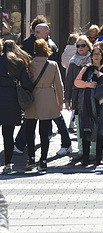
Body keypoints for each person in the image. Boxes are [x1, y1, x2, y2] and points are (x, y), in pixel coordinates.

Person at [24, 39, 64, 171]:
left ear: (35, 50)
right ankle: (44, 160)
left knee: (30, 131)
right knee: (44, 132)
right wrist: (60, 102)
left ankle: (31, 158)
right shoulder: (52, 65)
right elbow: (59, 85)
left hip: (32, 98)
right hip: (48, 97)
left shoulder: (29, 65)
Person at [74, 46, 103, 166]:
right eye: (94, 54)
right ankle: (85, 157)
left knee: (100, 131)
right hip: (87, 104)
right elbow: (76, 82)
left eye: (98, 54)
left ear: (102, 56)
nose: (96, 56)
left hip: (101, 104)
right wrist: (88, 84)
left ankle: (98, 157)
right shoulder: (86, 68)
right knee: (86, 129)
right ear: (91, 56)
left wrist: (99, 75)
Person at [0, 41, 34, 173]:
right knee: (8, 135)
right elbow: (26, 83)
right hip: (12, 101)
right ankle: (8, 164)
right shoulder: (19, 63)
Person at [64, 35, 92, 156]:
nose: (81, 48)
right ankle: (81, 150)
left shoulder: (94, 58)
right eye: (78, 46)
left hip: (92, 95)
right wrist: (67, 100)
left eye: (83, 45)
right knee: (79, 123)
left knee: (92, 122)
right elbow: (68, 82)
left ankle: (93, 150)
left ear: (88, 46)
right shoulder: (73, 61)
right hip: (77, 96)